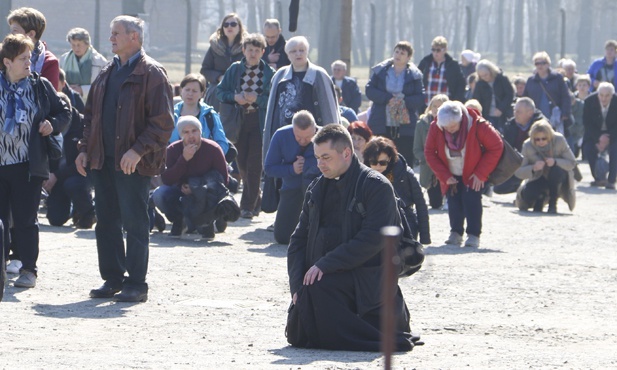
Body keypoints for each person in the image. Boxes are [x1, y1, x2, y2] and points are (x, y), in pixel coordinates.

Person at [287, 124, 415, 351]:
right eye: (317, 158)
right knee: (299, 332)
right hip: (325, 278)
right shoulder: (316, 189)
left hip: (367, 279)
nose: (320, 164)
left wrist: (326, 264)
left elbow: (373, 238)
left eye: (326, 157)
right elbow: (298, 240)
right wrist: (297, 287)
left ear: (346, 153)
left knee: (319, 290)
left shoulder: (376, 186)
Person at [75, 16, 174, 303]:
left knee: (135, 222)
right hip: (103, 161)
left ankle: (136, 283)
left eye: (116, 34)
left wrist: (138, 150)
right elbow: (90, 116)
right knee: (105, 221)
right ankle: (112, 278)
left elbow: (164, 123)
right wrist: (84, 149)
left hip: (133, 163)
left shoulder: (152, 73)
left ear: (134, 37)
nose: (111, 39)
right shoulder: (107, 71)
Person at [0, 34, 71, 287]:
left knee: (25, 220)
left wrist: (52, 124)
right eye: (22, 58)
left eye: (29, 57)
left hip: (28, 166)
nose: (28, 62)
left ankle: (29, 270)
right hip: (1, 165)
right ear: (7, 62)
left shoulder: (39, 86)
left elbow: (64, 111)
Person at [424, 101, 502, 248]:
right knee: (453, 201)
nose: (449, 130)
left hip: (475, 171)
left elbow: (496, 146)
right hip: (450, 171)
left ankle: (473, 235)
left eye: (453, 126)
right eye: (446, 127)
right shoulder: (436, 127)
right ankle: (455, 232)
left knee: (471, 199)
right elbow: (429, 152)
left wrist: (481, 173)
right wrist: (444, 175)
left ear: (460, 119)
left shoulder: (478, 125)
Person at [217, 33, 275, 219]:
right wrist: (236, 97)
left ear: (262, 52)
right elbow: (220, 92)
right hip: (238, 120)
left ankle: (247, 206)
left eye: (257, 50)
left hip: (258, 120)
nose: (253, 53)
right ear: (244, 50)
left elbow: (273, 99)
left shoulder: (268, 73)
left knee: (255, 164)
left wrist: (257, 99)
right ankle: (256, 199)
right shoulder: (235, 69)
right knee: (241, 162)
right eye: (250, 50)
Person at [263, 35, 339, 165]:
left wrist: (333, 139)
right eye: (293, 51)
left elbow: (330, 110)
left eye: (302, 50)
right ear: (287, 54)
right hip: (285, 138)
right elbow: (272, 111)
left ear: (307, 51)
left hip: (311, 139)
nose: (298, 54)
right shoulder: (279, 76)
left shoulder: (319, 75)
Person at [153, 116, 229, 240]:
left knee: (203, 222)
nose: (191, 136)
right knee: (159, 194)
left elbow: (223, 181)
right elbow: (166, 179)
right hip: (181, 190)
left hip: (206, 192)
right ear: (180, 135)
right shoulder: (173, 149)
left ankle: (208, 222)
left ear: (201, 131)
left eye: (194, 131)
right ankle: (180, 220)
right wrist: (184, 159)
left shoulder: (213, 149)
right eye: (186, 132)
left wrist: (196, 188)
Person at [264, 111, 319, 244]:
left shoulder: (325, 136)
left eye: (308, 138)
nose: (303, 141)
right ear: (293, 128)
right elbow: (269, 168)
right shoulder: (281, 135)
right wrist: (291, 169)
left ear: (315, 129)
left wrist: (307, 165)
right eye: (298, 137)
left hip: (317, 191)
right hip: (291, 189)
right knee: (282, 237)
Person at [365, 41, 425, 164]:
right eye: (396, 51)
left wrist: (403, 101)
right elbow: (369, 90)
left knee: (402, 158)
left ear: (408, 57)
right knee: (379, 157)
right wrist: (387, 98)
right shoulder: (380, 71)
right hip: (381, 121)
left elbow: (420, 97)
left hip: (404, 126)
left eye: (402, 53)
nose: (398, 55)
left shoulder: (415, 75)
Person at [363, 136, 431, 245]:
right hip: (375, 227)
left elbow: (420, 203)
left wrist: (425, 236)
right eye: (374, 162)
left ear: (389, 158)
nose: (378, 166)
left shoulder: (405, 173)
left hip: (406, 225)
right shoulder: (364, 177)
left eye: (382, 162)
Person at [44, 92, 96, 229]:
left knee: (72, 184)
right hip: (57, 176)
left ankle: (89, 212)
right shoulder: (49, 125)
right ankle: (73, 210)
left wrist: (56, 175)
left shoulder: (83, 125)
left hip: (82, 174)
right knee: (56, 219)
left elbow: (87, 161)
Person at [515, 120, 576, 213]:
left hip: (557, 178)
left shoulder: (559, 140)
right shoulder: (527, 145)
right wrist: (533, 168)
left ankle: (553, 203)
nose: (540, 142)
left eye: (544, 138)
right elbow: (518, 171)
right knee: (528, 194)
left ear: (550, 137)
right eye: (537, 139)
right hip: (538, 178)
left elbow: (572, 162)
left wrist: (555, 162)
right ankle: (540, 199)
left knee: (556, 171)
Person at [494, 97, 545, 194]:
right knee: (498, 188)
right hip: (517, 165)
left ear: (530, 113)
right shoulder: (510, 124)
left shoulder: (541, 126)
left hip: (536, 165)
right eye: (514, 111)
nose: (515, 114)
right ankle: (520, 187)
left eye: (519, 112)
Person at [170, 73, 229, 156]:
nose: (190, 94)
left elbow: (222, 143)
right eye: (187, 90)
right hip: (176, 163)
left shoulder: (210, 115)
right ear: (181, 91)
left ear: (202, 94)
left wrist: (210, 159)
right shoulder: (170, 114)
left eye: (194, 91)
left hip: (205, 165)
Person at [200, 13, 246, 112]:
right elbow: (205, 70)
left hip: (241, 87)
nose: (229, 27)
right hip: (217, 87)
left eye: (233, 24)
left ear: (239, 27)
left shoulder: (247, 47)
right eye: (226, 25)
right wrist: (219, 77)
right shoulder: (214, 47)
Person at [7, 7, 60, 91]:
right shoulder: (4, 55)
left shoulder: (49, 62)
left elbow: (49, 100)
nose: (11, 35)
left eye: (15, 31)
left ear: (31, 34)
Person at [414, 94, 449, 209]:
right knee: (435, 204)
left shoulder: (451, 123)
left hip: (446, 165)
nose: (437, 109)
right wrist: (429, 159)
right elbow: (417, 149)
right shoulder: (421, 123)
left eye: (440, 106)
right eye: (434, 106)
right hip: (429, 168)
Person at [523, 52, 571, 134]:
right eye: (537, 63)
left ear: (548, 64)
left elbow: (565, 96)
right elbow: (525, 99)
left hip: (555, 117)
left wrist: (565, 113)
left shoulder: (557, 78)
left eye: (543, 63)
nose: (540, 66)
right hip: (536, 117)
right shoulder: (531, 80)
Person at [582, 82, 617, 189]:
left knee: (615, 151)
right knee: (588, 148)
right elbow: (586, 123)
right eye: (601, 95)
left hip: (613, 133)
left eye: (607, 95)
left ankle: (611, 180)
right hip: (594, 132)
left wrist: (608, 138)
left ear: (612, 95)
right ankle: (598, 178)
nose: (604, 98)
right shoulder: (589, 101)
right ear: (598, 94)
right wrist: (598, 138)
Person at [59, 27, 108, 101]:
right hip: (67, 102)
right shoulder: (64, 59)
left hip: (91, 104)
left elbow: (104, 86)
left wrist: (82, 90)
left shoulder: (99, 61)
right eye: (73, 45)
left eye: (79, 45)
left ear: (87, 44)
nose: (76, 48)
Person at [418, 36, 466, 104]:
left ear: (445, 50)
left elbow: (461, 84)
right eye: (433, 50)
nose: (435, 53)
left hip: (446, 105)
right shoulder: (425, 62)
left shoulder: (452, 64)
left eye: (438, 50)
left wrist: (456, 101)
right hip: (427, 104)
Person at [473, 59, 514, 133]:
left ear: (490, 71)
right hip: (487, 115)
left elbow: (509, 95)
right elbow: (477, 100)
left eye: (486, 75)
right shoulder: (479, 84)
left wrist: (501, 108)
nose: (485, 78)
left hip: (503, 114)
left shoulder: (502, 79)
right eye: (482, 76)